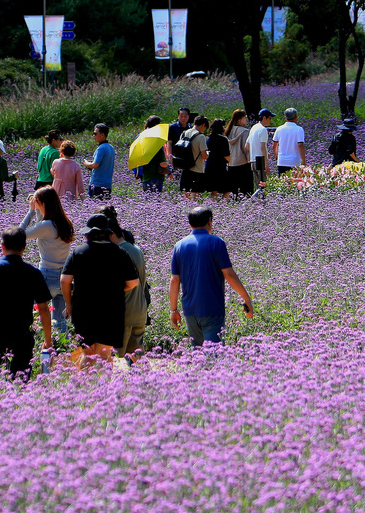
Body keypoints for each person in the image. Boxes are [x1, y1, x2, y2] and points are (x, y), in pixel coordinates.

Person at [0, 228, 54, 378]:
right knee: (20, 384)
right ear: (24, 247)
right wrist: (48, 341)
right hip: (21, 337)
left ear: (2, 246)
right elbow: (43, 310)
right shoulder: (34, 273)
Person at [60, 214, 140, 362]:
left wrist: (68, 303)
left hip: (83, 309)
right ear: (109, 233)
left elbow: (65, 280)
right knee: (104, 354)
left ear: (88, 234)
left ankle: (86, 385)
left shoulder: (78, 252)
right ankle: (102, 384)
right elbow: (133, 282)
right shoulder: (120, 253)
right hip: (111, 310)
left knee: (88, 353)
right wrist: (115, 289)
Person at [168, 207, 253, 347]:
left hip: (190, 309)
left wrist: (173, 310)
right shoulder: (217, 243)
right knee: (214, 355)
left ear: (190, 224)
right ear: (210, 222)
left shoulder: (179, 246)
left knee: (198, 354)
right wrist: (246, 299)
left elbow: (175, 280)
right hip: (212, 308)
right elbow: (229, 275)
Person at [20, 186, 77, 331]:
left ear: (43, 203)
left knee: (25, 312)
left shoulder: (45, 226)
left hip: (47, 275)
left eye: (37, 202)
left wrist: (30, 212)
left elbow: (19, 235)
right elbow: (43, 223)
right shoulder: (65, 223)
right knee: (59, 321)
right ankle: (60, 351)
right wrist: (38, 210)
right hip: (64, 278)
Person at [94, 205, 148, 359]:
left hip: (123, 312)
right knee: (136, 359)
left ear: (110, 235)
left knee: (114, 359)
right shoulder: (135, 248)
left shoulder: (117, 253)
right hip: (139, 309)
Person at [176, 116, 209, 199]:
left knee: (186, 196)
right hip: (197, 169)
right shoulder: (201, 137)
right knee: (195, 197)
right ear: (203, 125)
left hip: (185, 168)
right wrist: (208, 154)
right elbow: (204, 156)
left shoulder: (184, 133)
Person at [137, 116, 171, 194]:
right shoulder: (157, 143)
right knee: (156, 201)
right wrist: (168, 167)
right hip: (156, 177)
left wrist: (137, 172)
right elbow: (162, 163)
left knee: (148, 201)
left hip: (145, 176)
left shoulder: (141, 138)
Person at [225, 109, 254, 197]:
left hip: (231, 163)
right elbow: (246, 149)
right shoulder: (244, 132)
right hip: (243, 164)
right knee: (246, 190)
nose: (246, 119)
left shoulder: (228, 131)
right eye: (244, 117)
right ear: (239, 119)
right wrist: (250, 161)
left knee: (234, 190)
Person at [83, 123, 115, 200]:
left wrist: (87, 163)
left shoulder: (101, 148)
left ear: (102, 135)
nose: (94, 135)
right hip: (107, 184)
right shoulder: (111, 148)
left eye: (95, 133)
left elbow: (95, 165)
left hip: (97, 184)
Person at [247, 109, 273, 196]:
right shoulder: (263, 130)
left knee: (257, 187)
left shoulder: (253, 128)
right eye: (269, 118)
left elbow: (246, 146)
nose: (270, 120)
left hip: (253, 160)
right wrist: (266, 165)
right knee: (263, 187)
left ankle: (256, 205)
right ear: (264, 118)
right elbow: (262, 148)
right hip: (260, 161)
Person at [272, 107, 306, 175]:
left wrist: (276, 155)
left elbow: (274, 144)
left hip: (282, 161)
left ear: (285, 118)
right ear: (296, 117)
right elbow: (300, 145)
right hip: (294, 161)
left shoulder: (279, 129)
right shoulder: (299, 129)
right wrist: (303, 161)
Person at [204, 118, 230, 199]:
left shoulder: (208, 139)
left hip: (209, 167)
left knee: (214, 191)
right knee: (227, 189)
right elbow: (227, 155)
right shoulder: (223, 139)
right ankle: (223, 206)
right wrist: (230, 161)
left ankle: (213, 207)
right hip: (220, 168)